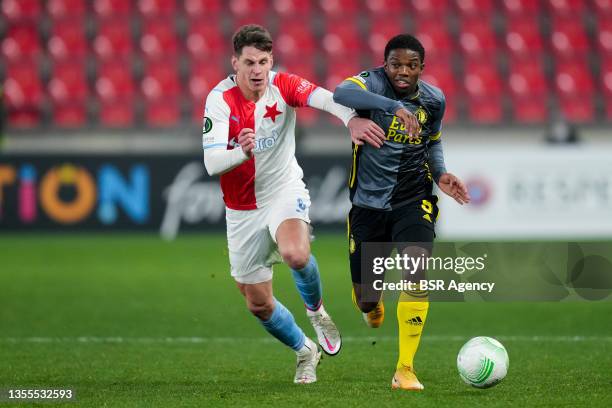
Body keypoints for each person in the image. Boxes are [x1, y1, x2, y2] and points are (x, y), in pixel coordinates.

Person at [202, 24, 382, 384]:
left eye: (264, 62)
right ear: (234, 62)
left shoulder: (283, 86)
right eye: (249, 62)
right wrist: (240, 151)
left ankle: (316, 312)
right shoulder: (218, 100)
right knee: (258, 303)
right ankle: (305, 350)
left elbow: (327, 98)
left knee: (296, 255)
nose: (257, 71)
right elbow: (211, 164)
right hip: (240, 209)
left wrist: (351, 120)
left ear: (272, 62)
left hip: (283, 190)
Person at [333, 34, 471, 390]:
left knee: (416, 272)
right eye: (396, 64)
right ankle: (369, 304)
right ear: (385, 64)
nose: (403, 72)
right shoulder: (371, 83)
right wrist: (392, 107)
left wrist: (439, 173)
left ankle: (405, 369)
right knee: (367, 299)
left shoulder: (434, 99)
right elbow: (340, 93)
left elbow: (433, 141)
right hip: (368, 206)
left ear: (422, 68)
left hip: (414, 199)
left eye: (412, 65)